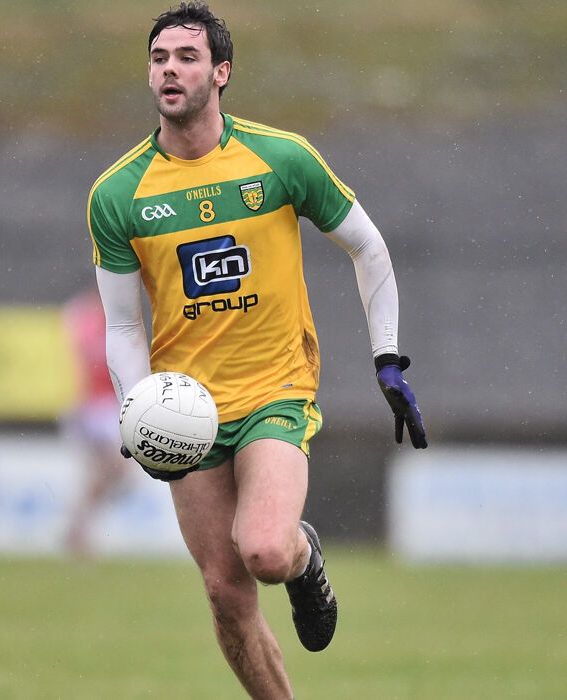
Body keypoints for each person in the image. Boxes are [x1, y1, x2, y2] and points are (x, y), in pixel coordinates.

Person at [87, 2, 427, 697]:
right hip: (186, 408)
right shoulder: (118, 194)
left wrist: (386, 358)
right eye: (158, 58)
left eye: (186, 57)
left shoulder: (280, 158)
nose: (169, 70)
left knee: (265, 550)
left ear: (221, 71)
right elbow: (122, 328)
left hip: (276, 386)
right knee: (225, 594)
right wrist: (135, 411)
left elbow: (367, 246)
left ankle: (304, 561)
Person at [62, 284, 128, 557]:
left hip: (112, 406)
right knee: (111, 468)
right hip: (95, 406)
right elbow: (85, 358)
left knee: (111, 475)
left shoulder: (114, 315)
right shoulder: (85, 315)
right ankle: (78, 530)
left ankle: (78, 526)